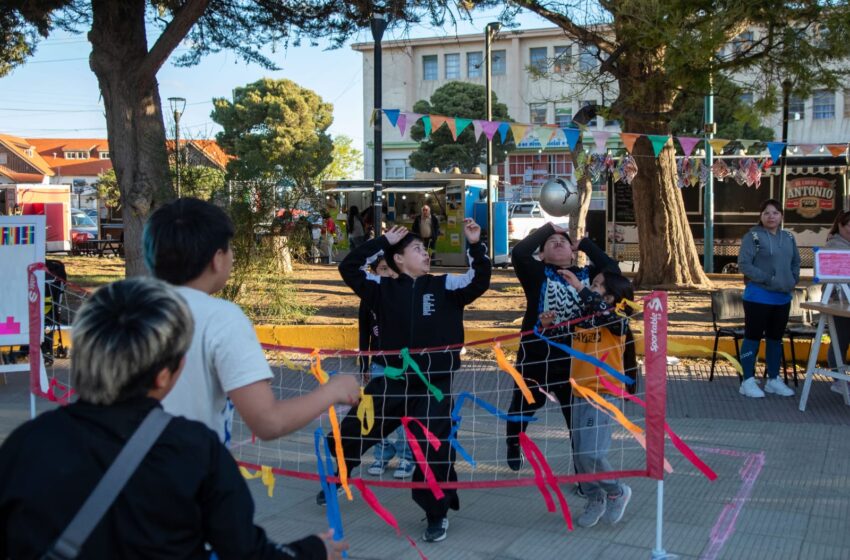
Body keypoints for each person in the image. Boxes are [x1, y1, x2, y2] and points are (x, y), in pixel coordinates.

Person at [0, 277, 347, 559]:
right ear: (165, 374)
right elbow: (246, 552)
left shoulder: (26, 444)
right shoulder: (196, 451)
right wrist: (315, 550)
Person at [326, 219, 491, 543]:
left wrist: (474, 245)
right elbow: (349, 266)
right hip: (390, 382)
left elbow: (479, 279)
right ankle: (338, 473)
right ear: (398, 259)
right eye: (417, 249)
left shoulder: (446, 285)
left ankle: (436, 514)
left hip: (433, 386)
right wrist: (383, 242)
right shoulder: (381, 289)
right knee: (350, 432)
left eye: (425, 249)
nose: (425, 253)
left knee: (434, 451)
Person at [143, 198, 360, 442]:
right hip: (184, 470)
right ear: (217, 258)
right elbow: (268, 421)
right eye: (230, 248)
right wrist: (333, 391)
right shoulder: (221, 318)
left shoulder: (116, 306)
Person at [506, 223, 620, 471]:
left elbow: (613, 269)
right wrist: (547, 229)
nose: (558, 242)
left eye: (564, 241)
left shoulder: (589, 277)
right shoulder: (536, 273)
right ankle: (514, 443)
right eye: (550, 242)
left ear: (572, 252)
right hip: (536, 357)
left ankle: (582, 472)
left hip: (576, 361)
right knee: (523, 406)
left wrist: (586, 244)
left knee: (576, 420)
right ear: (542, 254)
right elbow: (519, 253)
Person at [541, 270, 634, 528]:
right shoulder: (583, 319)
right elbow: (563, 341)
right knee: (581, 456)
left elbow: (605, 313)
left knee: (592, 452)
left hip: (604, 393)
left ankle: (616, 491)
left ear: (612, 296)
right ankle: (596, 498)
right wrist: (548, 327)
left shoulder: (619, 319)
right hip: (578, 392)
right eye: (591, 285)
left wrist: (580, 288)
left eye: (596, 285)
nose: (590, 288)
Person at [357, 254, 415, 479]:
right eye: (383, 269)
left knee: (401, 414)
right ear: (374, 272)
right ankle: (381, 453)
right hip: (379, 364)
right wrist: (365, 365)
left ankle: (406, 457)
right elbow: (364, 333)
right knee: (377, 412)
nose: (389, 273)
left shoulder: (405, 296)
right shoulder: (369, 298)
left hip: (404, 367)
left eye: (392, 269)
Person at [736, 198, 799, 398]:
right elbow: (744, 264)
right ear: (761, 216)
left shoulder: (788, 238)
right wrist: (767, 279)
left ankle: (773, 379)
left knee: (775, 339)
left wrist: (791, 280)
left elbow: (795, 262)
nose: (771, 217)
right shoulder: (752, 236)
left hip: (782, 298)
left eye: (775, 213)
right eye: (767, 213)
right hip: (758, 297)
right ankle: (747, 380)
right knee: (752, 338)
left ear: (781, 216)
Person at [824, 209, 850, 393]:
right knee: (840, 340)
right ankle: (837, 379)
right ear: (840, 225)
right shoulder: (834, 246)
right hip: (837, 300)